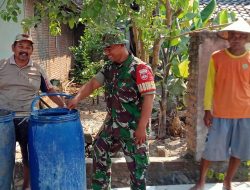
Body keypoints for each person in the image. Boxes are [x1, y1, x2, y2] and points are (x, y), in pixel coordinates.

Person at [67, 32, 156, 190]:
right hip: (112, 123)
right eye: (105, 50)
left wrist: (142, 127)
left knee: (137, 169)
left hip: (133, 127)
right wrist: (77, 97)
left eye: (109, 49)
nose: (107, 53)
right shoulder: (109, 68)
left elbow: (149, 98)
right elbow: (93, 84)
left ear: (122, 45)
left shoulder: (140, 68)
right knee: (99, 149)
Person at [191, 18, 250, 190]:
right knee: (210, 150)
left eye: (241, 36)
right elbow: (209, 85)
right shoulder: (217, 58)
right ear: (228, 38)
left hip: (245, 113)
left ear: (246, 38)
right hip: (221, 113)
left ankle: (227, 181)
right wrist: (207, 110)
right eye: (233, 35)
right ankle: (201, 182)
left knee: (238, 151)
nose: (236, 39)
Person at [0, 34, 65, 190]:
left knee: (29, 157)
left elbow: (49, 90)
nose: (24, 50)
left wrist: (64, 106)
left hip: (28, 119)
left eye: (28, 47)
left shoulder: (38, 69)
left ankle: (26, 187)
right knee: (3, 158)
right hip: (4, 120)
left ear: (32, 51)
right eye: (20, 46)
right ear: (13, 48)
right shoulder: (2, 66)